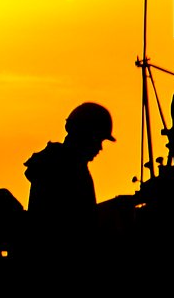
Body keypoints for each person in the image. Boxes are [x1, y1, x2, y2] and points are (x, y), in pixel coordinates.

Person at [22, 101, 115, 253]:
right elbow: (76, 225)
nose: (100, 147)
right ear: (86, 135)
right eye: (98, 139)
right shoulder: (67, 169)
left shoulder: (55, 162)